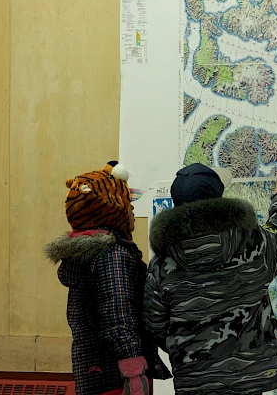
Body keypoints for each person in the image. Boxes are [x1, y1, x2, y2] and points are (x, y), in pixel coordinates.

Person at [143, 163, 277, 395]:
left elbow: (155, 324)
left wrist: (188, 349)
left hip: (197, 380)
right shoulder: (253, 245)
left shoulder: (161, 264)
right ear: (219, 201)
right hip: (250, 375)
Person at [44, 161, 171, 395]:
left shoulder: (87, 255)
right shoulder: (114, 255)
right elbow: (118, 315)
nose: (133, 211)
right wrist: (134, 370)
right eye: (128, 204)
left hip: (93, 370)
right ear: (112, 211)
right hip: (120, 375)